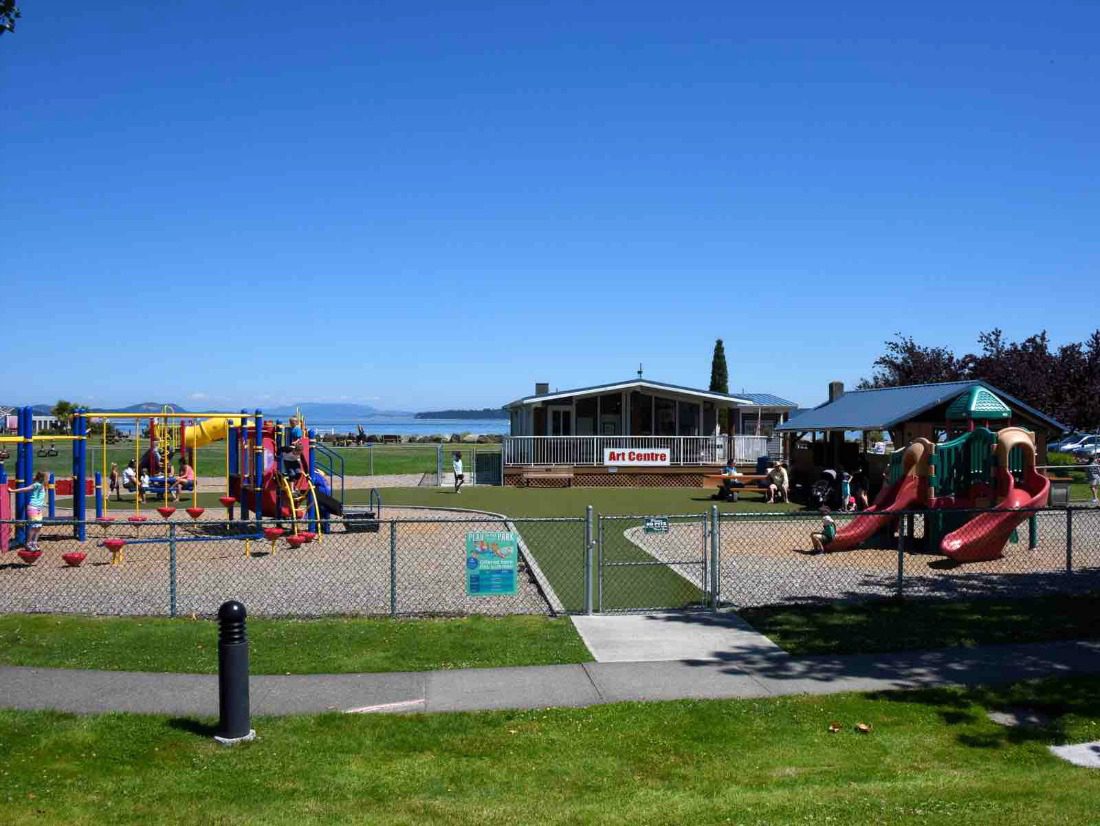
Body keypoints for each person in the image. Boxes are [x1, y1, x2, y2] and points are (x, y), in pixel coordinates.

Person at [12, 471, 47, 551]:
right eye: (45, 478)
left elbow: (40, 497)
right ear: (42, 478)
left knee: (39, 526)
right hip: (33, 508)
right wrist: (13, 491)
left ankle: (34, 542)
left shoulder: (42, 486)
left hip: (39, 509)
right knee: (34, 526)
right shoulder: (36, 485)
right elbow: (25, 489)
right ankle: (28, 543)